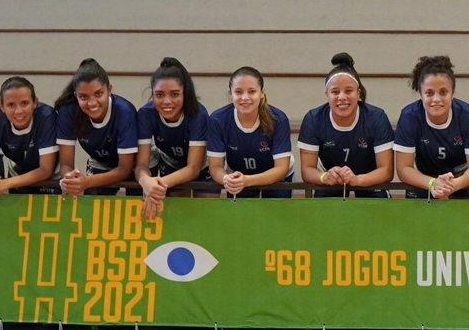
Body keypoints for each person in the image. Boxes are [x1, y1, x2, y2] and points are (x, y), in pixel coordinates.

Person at [298, 53, 395, 198]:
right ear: (327, 95)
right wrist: (324, 177)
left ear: (358, 93)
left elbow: (386, 170)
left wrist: (357, 180)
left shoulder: (377, 118)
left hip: (369, 178)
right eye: (335, 92)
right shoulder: (313, 119)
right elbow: (307, 169)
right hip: (331, 180)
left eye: (349, 91)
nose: (342, 97)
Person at [394, 55, 469, 199]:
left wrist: (455, 184)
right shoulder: (409, 117)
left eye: (443, 92)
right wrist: (432, 183)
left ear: (453, 93)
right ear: (421, 94)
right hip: (424, 179)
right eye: (429, 93)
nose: (436, 99)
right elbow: (404, 168)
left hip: (461, 180)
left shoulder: (467, 115)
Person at [134, 58, 210, 219]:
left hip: (203, 168)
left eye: (174, 94)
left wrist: (156, 185)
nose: (167, 101)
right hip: (171, 166)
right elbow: (141, 164)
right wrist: (146, 182)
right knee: (178, 219)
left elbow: (193, 168)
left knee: (204, 218)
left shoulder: (198, 115)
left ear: (185, 93)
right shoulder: (145, 115)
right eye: (159, 95)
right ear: (152, 94)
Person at [55, 58, 137, 198]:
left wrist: (87, 181)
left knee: (138, 209)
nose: (92, 102)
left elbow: (125, 168)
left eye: (98, 94)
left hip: (135, 164)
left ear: (109, 90)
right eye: (84, 97)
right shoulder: (68, 112)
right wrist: (70, 178)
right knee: (90, 209)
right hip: (100, 162)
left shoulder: (125, 111)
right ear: (76, 95)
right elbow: (65, 164)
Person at [208, 67, 293, 199]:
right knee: (242, 218)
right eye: (238, 92)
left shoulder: (278, 119)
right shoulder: (217, 119)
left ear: (262, 93)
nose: (245, 97)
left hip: (275, 177)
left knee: (275, 218)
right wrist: (227, 179)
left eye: (252, 91)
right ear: (230, 93)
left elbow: (281, 168)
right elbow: (215, 166)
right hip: (238, 176)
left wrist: (247, 180)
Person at [0, 77, 59, 197]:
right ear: (1, 107)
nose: (18, 111)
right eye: (11, 105)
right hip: (16, 176)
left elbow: (45, 170)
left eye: (24, 103)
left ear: (35, 102)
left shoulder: (46, 116)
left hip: (50, 180)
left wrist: (4, 183)